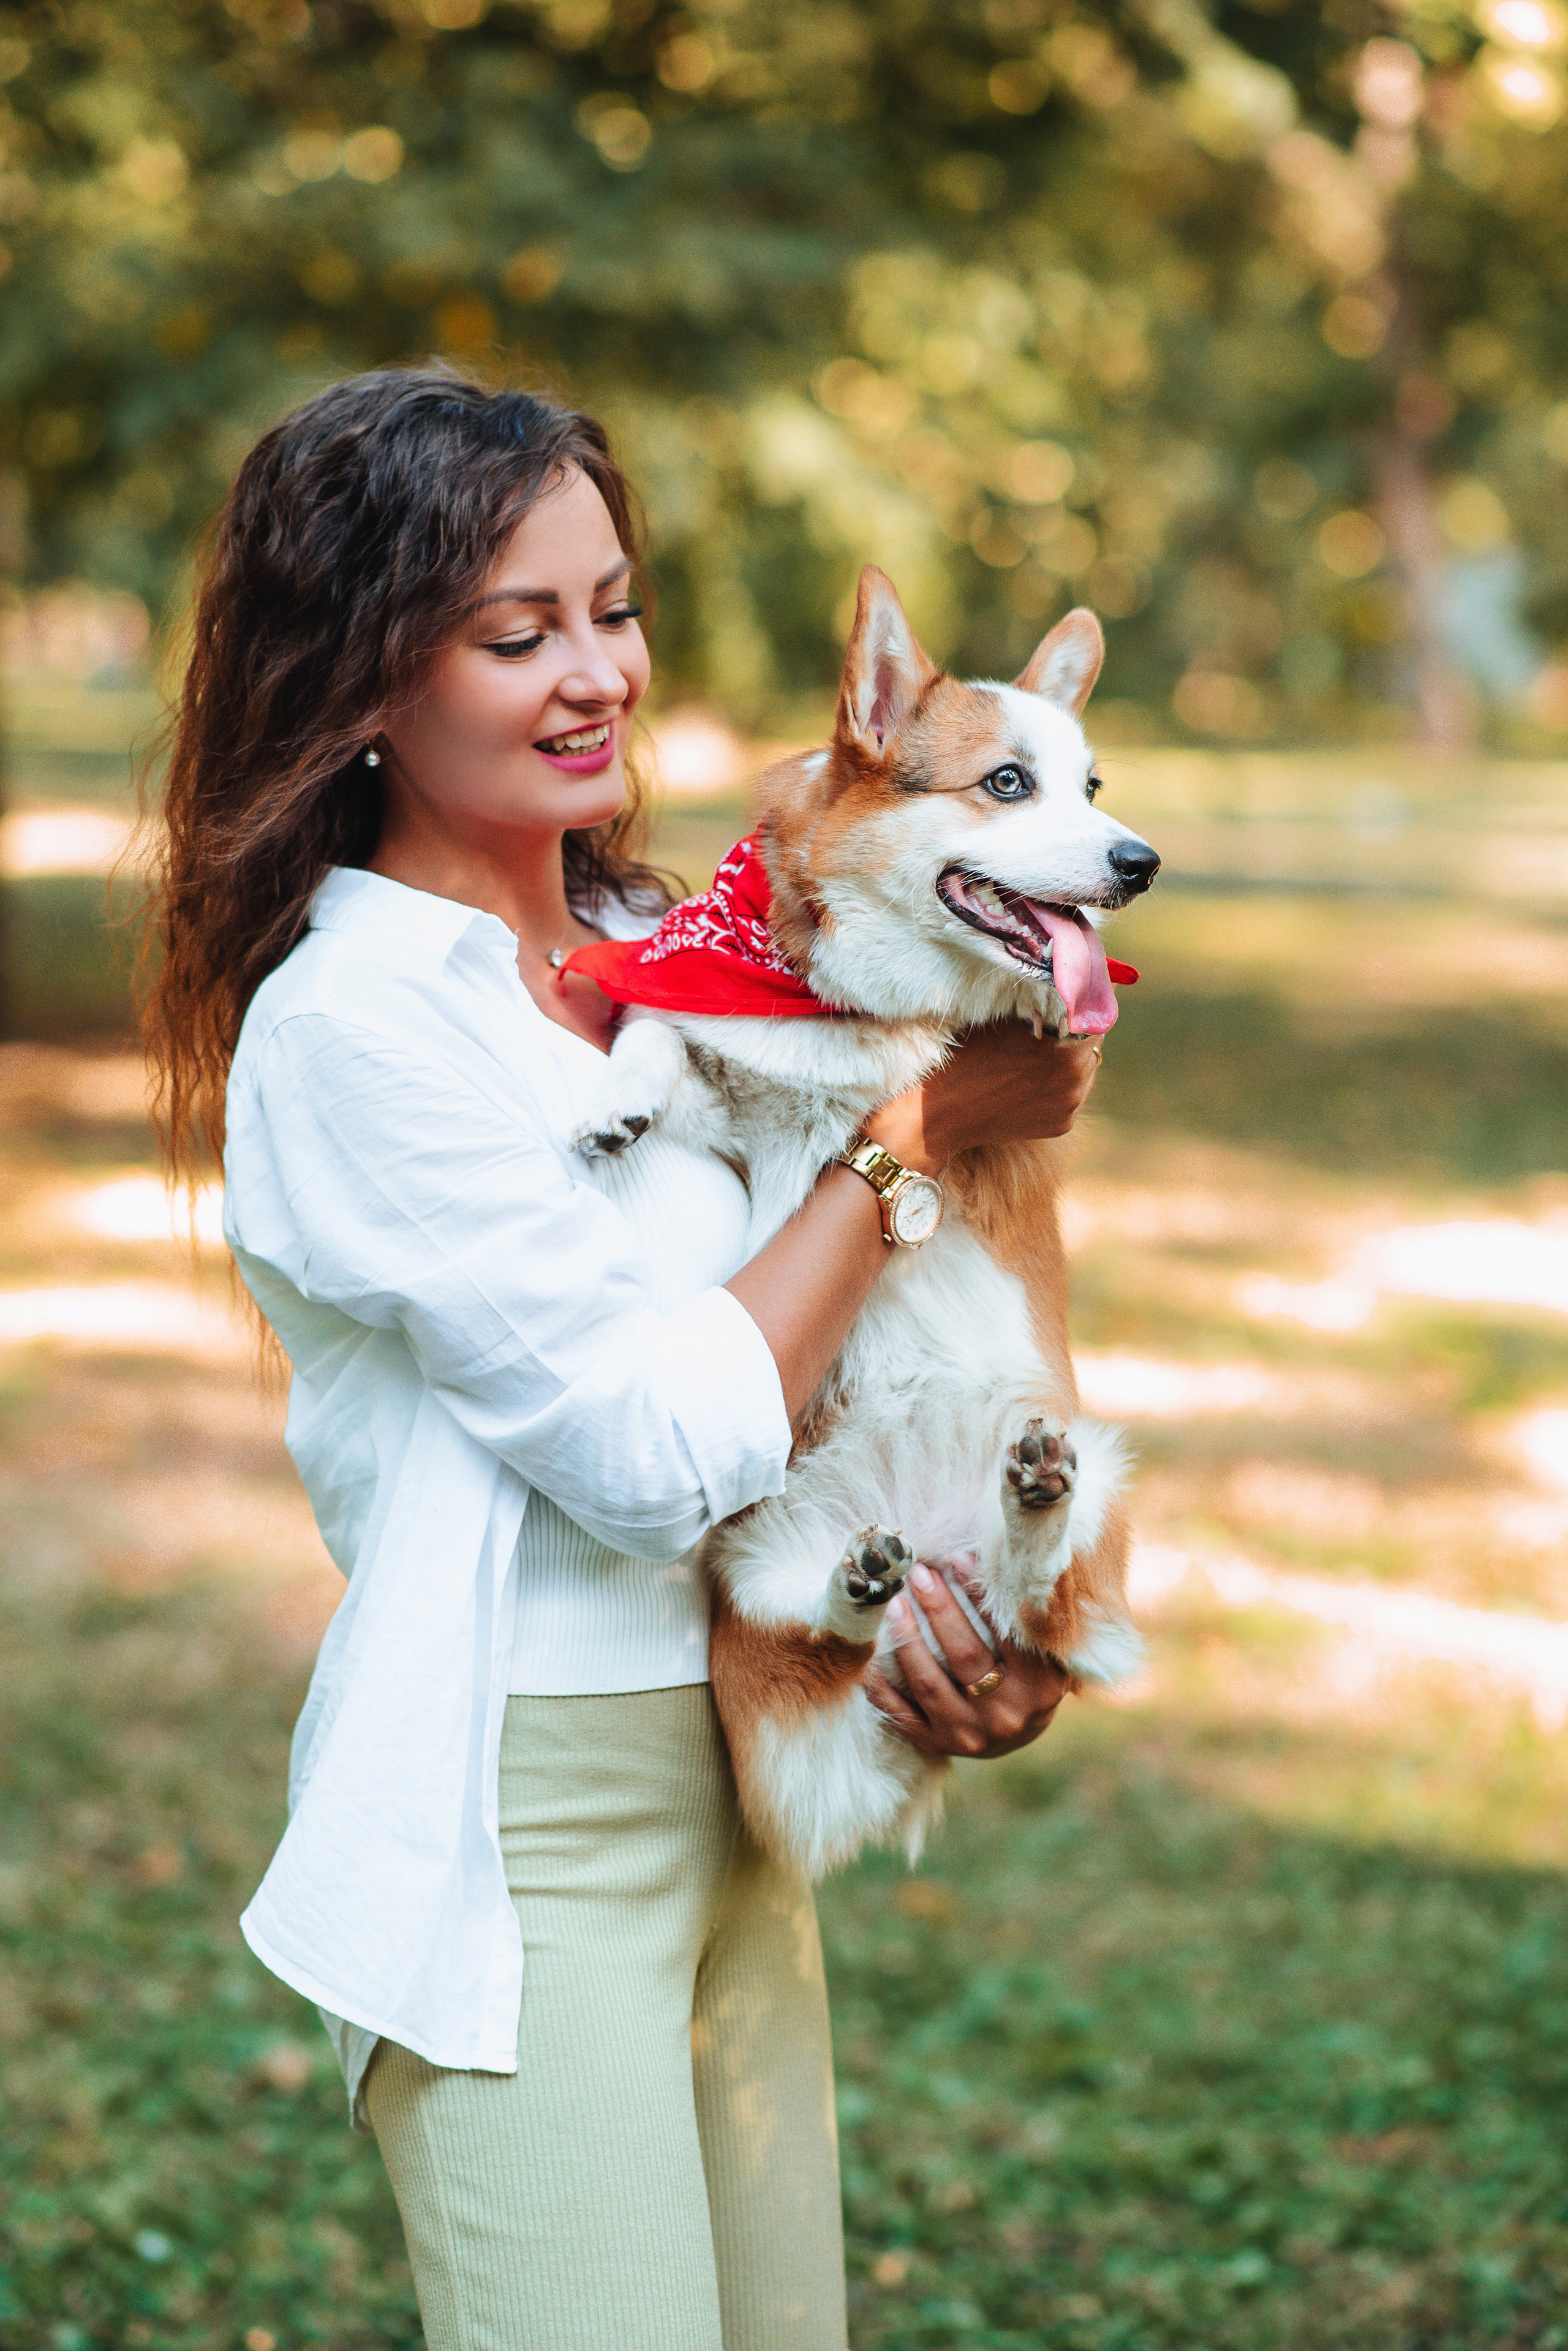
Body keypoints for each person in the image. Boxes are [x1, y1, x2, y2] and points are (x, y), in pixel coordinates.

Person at [146, 366, 1099, 2351]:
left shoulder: (685, 955)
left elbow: (847, 1379)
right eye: (517, 633)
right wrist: (921, 1131)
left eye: (614, 606)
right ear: (361, 681)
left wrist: (978, 1655)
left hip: (754, 1777)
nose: (600, 675)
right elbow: (660, 1450)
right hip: (524, 1838)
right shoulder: (357, 1035)